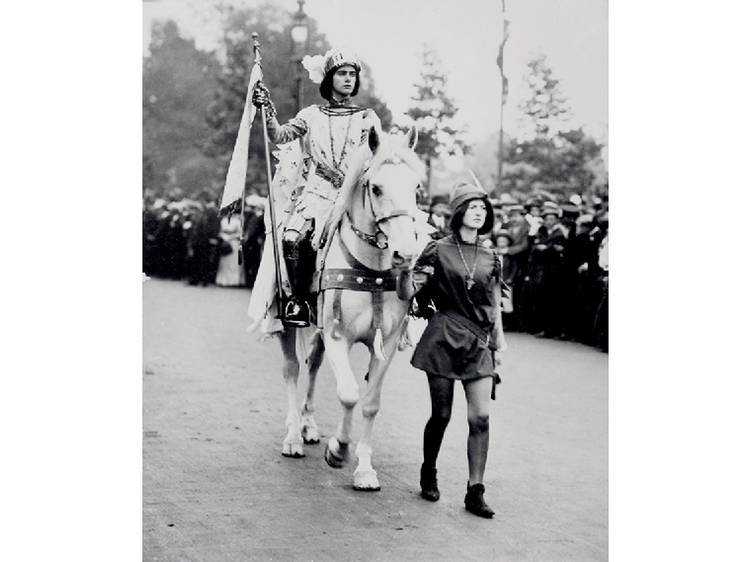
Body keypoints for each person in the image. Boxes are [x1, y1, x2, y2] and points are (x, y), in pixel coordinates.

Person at [397, 180, 508, 519]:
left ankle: (475, 491)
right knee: (441, 415)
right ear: (460, 211)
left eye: (483, 208)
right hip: (443, 337)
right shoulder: (437, 249)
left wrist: (500, 342)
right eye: (473, 207)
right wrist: (403, 272)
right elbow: (408, 294)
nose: (479, 212)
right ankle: (428, 470)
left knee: (481, 416)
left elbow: (494, 302)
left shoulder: (492, 255)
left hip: (479, 342)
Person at [251, 48, 382, 326]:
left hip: (354, 193)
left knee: (395, 230)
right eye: (342, 74)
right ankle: (298, 302)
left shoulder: (367, 117)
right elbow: (280, 135)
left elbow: (376, 155)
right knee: (291, 238)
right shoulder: (311, 115)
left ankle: (406, 300)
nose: (348, 79)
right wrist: (267, 109)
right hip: (318, 193)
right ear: (329, 78)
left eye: (352, 75)